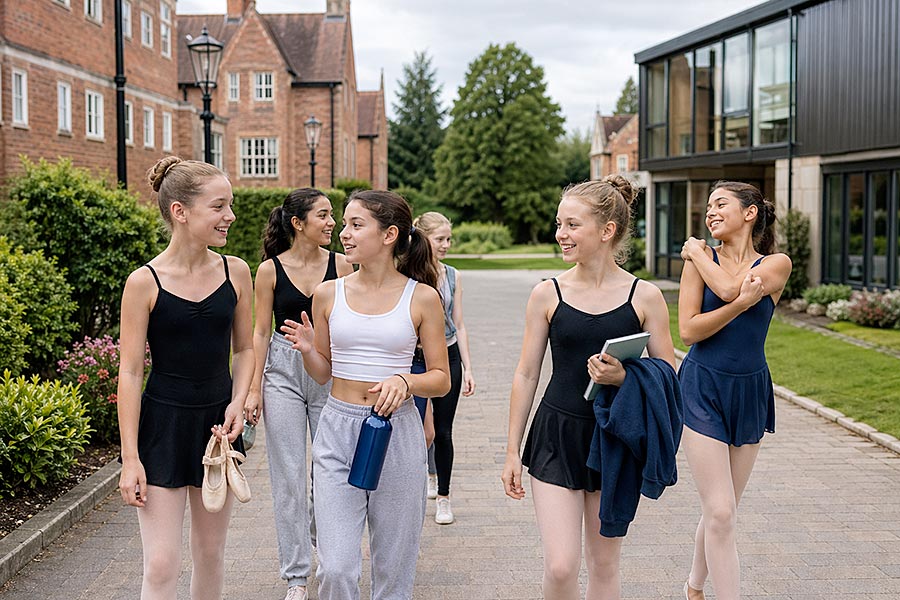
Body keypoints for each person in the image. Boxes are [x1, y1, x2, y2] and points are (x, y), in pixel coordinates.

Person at [502, 176, 676, 599]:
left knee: (603, 565)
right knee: (561, 567)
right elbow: (526, 373)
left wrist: (625, 377)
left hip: (614, 441)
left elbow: (669, 375)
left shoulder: (645, 296)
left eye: (572, 225)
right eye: (559, 224)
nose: (561, 234)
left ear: (607, 231)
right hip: (556, 435)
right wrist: (511, 449)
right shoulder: (547, 293)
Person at [281, 190, 451, 600]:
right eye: (344, 224)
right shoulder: (328, 294)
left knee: (393, 570)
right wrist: (308, 350)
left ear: (390, 234)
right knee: (337, 568)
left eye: (356, 225)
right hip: (337, 429)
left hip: (397, 433)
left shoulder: (422, 297)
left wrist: (406, 381)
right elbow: (323, 374)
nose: (344, 233)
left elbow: (442, 378)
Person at [117, 156, 254, 599]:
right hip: (163, 428)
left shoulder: (237, 271)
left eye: (228, 205)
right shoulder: (144, 282)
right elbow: (132, 372)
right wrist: (130, 458)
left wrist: (238, 402)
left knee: (211, 553)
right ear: (180, 211)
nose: (229, 216)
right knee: (161, 564)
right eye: (218, 206)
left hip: (217, 426)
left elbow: (246, 348)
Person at [678, 181, 791, 600]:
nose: (710, 212)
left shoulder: (777, 263)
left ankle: (693, 586)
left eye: (720, 204)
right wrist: (701, 259)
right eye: (708, 206)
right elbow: (688, 331)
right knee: (721, 511)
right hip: (701, 386)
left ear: (750, 213)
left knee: (721, 511)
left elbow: (729, 287)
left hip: (749, 391)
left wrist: (695, 252)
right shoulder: (700, 262)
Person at [244, 189, 353, 600]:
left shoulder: (343, 267)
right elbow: (258, 332)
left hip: (329, 371)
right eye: (324, 215)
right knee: (287, 477)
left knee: (327, 473)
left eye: (333, 215)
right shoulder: (269, 271)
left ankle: (328, 550)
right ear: (297, 222)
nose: (332, 223)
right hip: (282, 373)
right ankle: (296, 576)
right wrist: (254, 388)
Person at [409, 211, 476, 524]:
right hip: (416, 361)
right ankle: (422, 479)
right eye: (440, 239)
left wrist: (468, 368)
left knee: (444, 431)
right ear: (424, 239)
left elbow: (459, 324)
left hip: (448, 358)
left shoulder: (453, 275)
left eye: (449, 239)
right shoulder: (407, 274)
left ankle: (444, 496)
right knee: (423, 431)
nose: (446, 244)